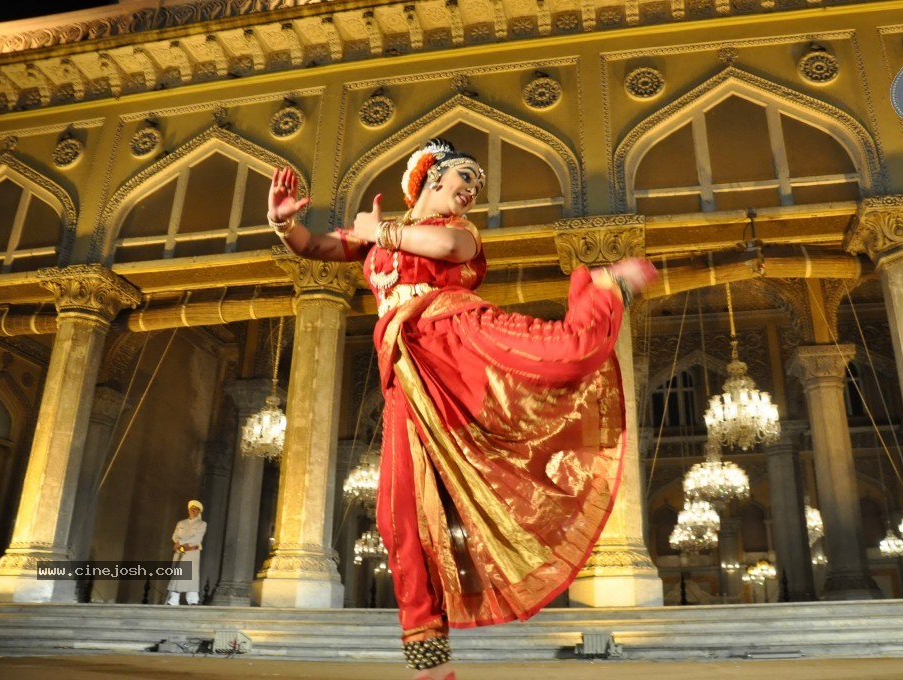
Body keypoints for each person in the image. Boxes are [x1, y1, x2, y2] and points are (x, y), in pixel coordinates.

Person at [268, 139, 656, 680]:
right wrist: (285, 223)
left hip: (453, 333)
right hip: (407, 371)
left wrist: (379, 231)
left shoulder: (455, 230)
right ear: (429, 179)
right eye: (462, 178)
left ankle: (605, 291)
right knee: (397, 514)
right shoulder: (384, 232)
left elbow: (450, 249)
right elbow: (314, 247)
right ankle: (428, 658)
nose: (471, 189)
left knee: (557, 359)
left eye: (475, 183)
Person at [165, 500, 207, 605]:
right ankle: (174, 599)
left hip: (192, 552)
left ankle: (193, 599)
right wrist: (180, 544)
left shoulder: (202, 524)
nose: (194, 510)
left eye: (196, 509)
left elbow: (197, 538)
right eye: (192, 508)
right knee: (178, 574)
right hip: (180, 551)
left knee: (191, 575)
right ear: (189, 510)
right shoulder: (181, 523)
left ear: (199, 512)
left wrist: (182, 542)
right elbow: (175, 536)